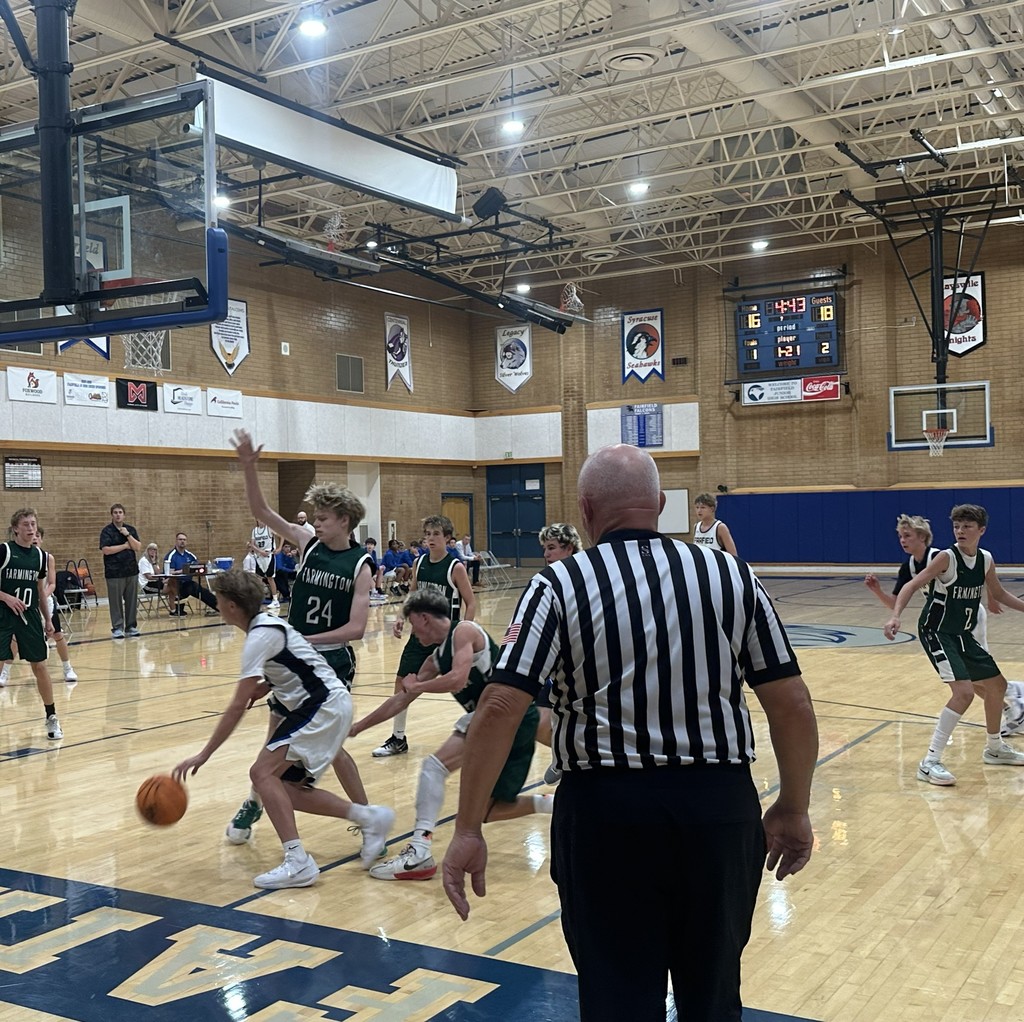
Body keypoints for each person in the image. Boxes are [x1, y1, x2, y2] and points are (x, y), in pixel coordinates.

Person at [441, 444, 817, 1022]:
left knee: (617, 996)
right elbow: (791, 703)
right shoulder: (729, 573)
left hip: (605, 816)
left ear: (586, 510)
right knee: (713, 994)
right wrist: (792, 807)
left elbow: (498, 706)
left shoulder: (558, 583)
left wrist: (468, 826)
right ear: (661, 505)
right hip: (717, 810)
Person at [172, 569, 394, 889]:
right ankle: (369, 818)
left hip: (322, 706)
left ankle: (298, 861)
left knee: (262, 773)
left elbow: (236, 707)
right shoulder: (265, 627)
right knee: (288, 791)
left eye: (218, 599)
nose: (215, 603)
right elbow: (298, 658)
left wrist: (203, 755)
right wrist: (268, 684)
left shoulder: (260, 636)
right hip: (324, 704)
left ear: (232, 605)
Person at [224, 428, 379, 847]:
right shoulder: (308, 543)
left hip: (330, 662)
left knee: (334, 749)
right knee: (274, 739)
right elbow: (262, 512)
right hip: (293, 661)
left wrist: (307, 642)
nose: (315, 522)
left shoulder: (361, 563)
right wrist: (249, 467)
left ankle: (368, 821)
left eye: (324, 518)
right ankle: (257, 801)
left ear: (344, 520)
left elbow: (357, 629)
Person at [350, 589, 550, 881]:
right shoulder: (434, 660)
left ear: (424, 617)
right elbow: (400, 700)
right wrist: (358, 726)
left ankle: (420, 850)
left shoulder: (464, 631)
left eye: (412, 623)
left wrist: (417, 686)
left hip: (507, 717)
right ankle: (554, 804)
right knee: (487, 810)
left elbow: (458, 677)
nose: (411, 631)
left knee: (434, 767)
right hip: (491, 721)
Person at [883, 503, 1024, 786]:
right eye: (956, 527)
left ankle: (995, 748)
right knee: (963, 693)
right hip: (937, 631)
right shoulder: (946, 558)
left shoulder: (985, 559)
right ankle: (930, 761)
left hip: (962, 633)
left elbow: (998, 593)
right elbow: (911, 585)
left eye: (967, 527)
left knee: (996, 686)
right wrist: (896, 615)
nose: (960, 531)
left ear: (981, 530)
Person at [373, 514, 476, 758]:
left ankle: (484, 732)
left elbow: (470, 603)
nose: (430, 539)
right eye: (427, 534)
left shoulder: (456, 566)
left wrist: (463, 633)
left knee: (469, 689)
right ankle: (398, 738)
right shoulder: (419, 563)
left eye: (436, 534)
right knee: (402, 683)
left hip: (447, 637)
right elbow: (412, 595)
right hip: (421, 636)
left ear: (448, 538)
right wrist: (400, 616)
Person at [866, 513, 994, 650]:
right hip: (944, 617)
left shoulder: (940, 557)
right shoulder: (908, 567)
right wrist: (877, 591)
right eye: (900, 537)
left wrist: (992, 598)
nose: (903, 540)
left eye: (907, 536)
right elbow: (894, 604)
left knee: (979, 659)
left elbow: (979, 573)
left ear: (922, 537)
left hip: (968, 612)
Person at [0, 509, 64, 739]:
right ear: (15, 528)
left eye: (33, 524)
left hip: (29, 617)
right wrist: (6, 597)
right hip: (3, 616)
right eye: (26, 524)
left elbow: (40, 590)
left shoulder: (39, 556)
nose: (30, 528)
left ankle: (51, 717)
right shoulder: (4, 551)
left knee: (40, 666)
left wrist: (47, 619)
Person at [534, 522, 584, 784]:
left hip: (584, 666)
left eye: (552, 548)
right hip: (554, 664)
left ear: (569, 548)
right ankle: (564, 753)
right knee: (538, 722)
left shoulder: (586, 578)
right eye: (545, 548)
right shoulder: (546, 582)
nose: (546, 554)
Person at [0, 525, 77, 685]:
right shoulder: (19, 556)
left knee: (57, 634)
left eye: (37, 537)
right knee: (14, 638)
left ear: (41, 539)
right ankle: (5, 672)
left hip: (45, 601)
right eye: (32, 536)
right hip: (25, 604)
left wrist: (41, 597)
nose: (34, 539)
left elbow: (52, 584)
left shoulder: (47, 558)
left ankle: (68, 667)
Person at [99, 503, 142, 637]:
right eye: (115, 512)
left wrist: (128, 535)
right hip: (114, 572)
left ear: (124, 514)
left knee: (131, 601)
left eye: (120, 512)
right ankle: (117, 628)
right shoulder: (107, 531)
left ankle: (131, 627)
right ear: (112, 515)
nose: (118, 514)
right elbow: (106, 550)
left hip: (131, 571)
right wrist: (124, 546)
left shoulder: (131, 530)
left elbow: (137, 547)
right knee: (116, 602)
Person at [167, 532, 219, 615]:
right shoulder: (171, 555)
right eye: (180, 539)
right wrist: (182, 571)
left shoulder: (190, 555)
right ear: (176, 541)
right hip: (176, 584)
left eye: (184, 540)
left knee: (200, 590)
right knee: (195, 588)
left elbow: (197, 567)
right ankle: (219, 607)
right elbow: (169, 573)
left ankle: (219, 607)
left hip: (188, 583)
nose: (182, 541)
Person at [691, 491, 738, 556]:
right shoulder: (696, 526)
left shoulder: (720, 527)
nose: (699, 510)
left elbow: (733, 554)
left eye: (703, 507)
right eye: (697, 507)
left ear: (712, 509)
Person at [250, 519, 280, 612]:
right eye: (259, 520)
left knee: (270, 578)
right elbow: (252, 544)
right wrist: (259, 551)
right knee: (259, 579)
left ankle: (275, 600)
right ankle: (258, 599)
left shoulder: (269, 528)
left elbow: (282, 536)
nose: (261, 522)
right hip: (259, 556)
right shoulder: (254, 531)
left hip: (269, 555)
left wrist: (279, 548)